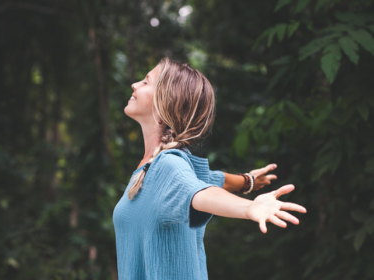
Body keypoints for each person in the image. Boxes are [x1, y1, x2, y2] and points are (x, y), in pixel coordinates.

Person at [112, 57, 307, 280]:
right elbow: (209, 180)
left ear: (164, 102)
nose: (134, 85)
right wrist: (247, 181)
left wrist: (249, 208)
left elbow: (201, 193)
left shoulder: (167, 165)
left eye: (146, 82)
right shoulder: (152, 167)